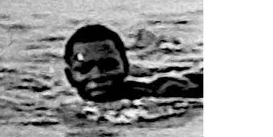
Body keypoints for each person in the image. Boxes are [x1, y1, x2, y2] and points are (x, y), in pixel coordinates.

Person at [62, 22, 203, 105]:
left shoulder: (164, 92)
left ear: (126, 67)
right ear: (69, 77)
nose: (98, 75)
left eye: (108, 66)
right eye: (84, 68)